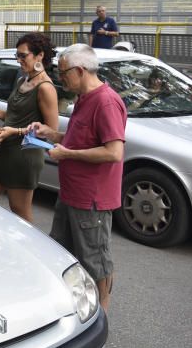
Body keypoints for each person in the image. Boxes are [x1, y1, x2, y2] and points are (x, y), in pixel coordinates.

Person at [27, 43, 126, 312]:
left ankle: (101, 315)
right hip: (70, 194)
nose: (60, 78)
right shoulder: (83, 98)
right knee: (62, 253)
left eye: (63, 73)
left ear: (80, 70)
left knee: (95, 261)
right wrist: (51, 134)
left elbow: (113, 152)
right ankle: (73, 308)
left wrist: (68, 154)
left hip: (91, 199)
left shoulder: (105, 102)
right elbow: (80, 139)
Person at [0, 33, 60, 222]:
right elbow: (15, 116)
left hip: (25, 157)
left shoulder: (46, 88)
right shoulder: (23, 80)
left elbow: (50, 131)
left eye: (23, 56)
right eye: (17, 55)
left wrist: (16, 132)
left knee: (21, 215)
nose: (19, 60)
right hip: (6, 152)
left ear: (40, 56)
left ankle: (33, 252)